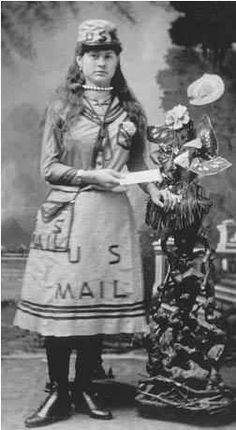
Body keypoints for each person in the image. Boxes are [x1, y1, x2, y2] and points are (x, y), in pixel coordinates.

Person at [14, 19, 176, 427]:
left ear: (117, 58)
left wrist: (158, 193)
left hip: (110, 220)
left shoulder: (131, 109)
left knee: (94, 306)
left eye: (108, 55)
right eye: (92, 56)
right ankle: (59, 392)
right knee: (62, 305)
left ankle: (85, 386)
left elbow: (138, 164)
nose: (101, 62)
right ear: (79, 60)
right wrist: (92, 176)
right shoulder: (62, 107)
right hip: (66, 216)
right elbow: (49, 168)